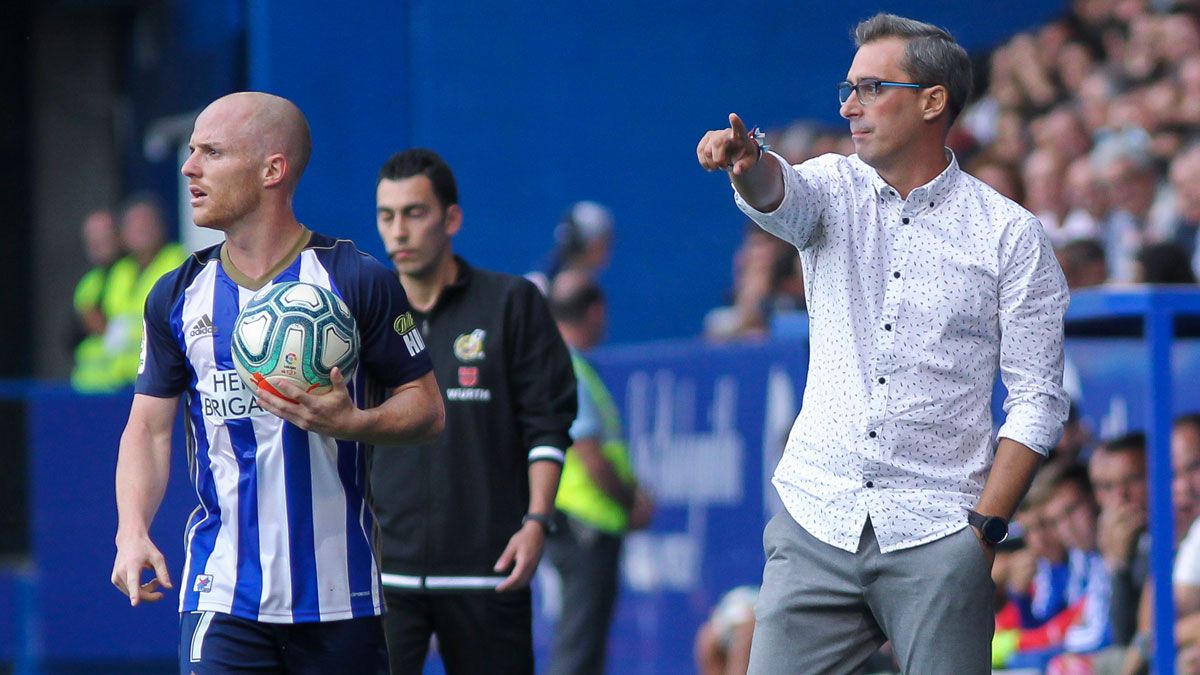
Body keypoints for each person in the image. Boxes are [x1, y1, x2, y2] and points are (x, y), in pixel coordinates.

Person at [696, 13, 1069, 673]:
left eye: (870, 88)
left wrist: (982, 531)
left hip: (940, 530)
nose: (848, 106)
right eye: (848, 87)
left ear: (933, 100)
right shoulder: (834, 185)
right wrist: (747, 166)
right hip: (817, 516)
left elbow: (1038, 399)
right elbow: (779, 193)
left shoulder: (1011, 234)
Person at [110, 92, 445, 674]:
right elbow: (149, 430)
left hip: (341, 595)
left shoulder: (358, 280)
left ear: (272, 170)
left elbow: (428, 408)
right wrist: (131, 530)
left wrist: (354, 423)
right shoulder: (176, 295)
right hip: (223, 596)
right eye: (191, 151)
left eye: (211, 152)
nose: (189, 168)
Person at [370, 148, 577, 675]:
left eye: (414, 213)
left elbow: (548, 424)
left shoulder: (511, 303)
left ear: (451, 218)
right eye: (387, 216)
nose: (399, 232)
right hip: (379, 577)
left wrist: (536, 521)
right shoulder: (361, 314)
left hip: (490, 569)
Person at [544, 270, 653, 675]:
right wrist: (630, 502)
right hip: (585, 526)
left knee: (583, 645)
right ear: (595, 311)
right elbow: (590, 454)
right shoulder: (569, 368)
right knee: (579, 648)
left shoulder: (561, 364)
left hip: (578, 525)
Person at [104, 195, 188, 386]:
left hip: (163, 377)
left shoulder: (178, 261)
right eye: (134, 226)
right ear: (122, 234)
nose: (142, 231)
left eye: (147, 223)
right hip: (120, 380)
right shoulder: (120, 271)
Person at [69, 208, 124, 392]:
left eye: (103, 238)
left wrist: (104, 326)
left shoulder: (132, 273)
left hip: (125, 384)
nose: (96, 245)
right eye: (91, 240)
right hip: (88, 385)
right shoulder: (88, 282)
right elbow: (68, 335)